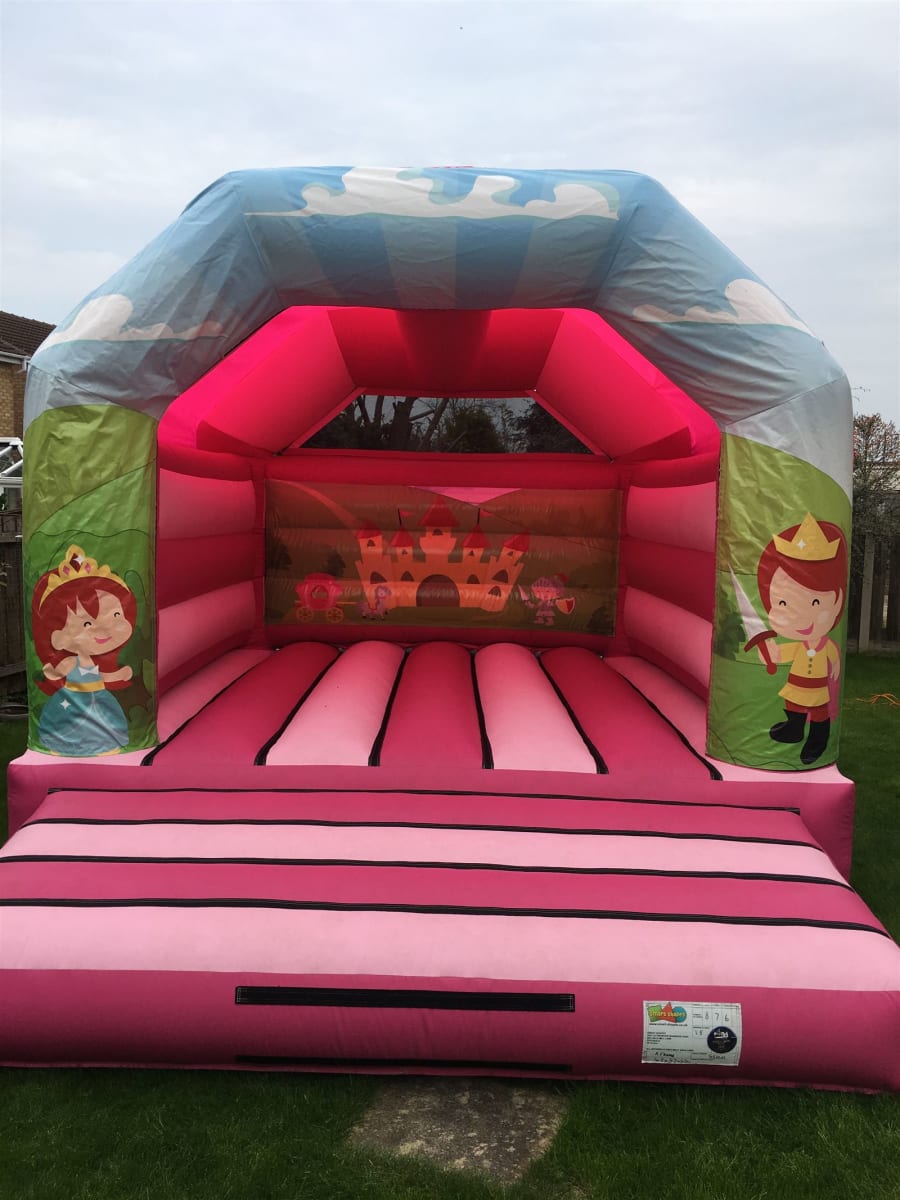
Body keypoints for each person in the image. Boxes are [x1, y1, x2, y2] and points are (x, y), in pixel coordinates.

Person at [755, 513, 848, 765]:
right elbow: (778, 655)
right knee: (793, 707)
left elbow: (833, 659)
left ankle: (817, 742)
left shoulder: (826, 646)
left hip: (817, 688)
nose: (803, 617)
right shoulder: (798, 646)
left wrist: (835, 665)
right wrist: (769, 652)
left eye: (816, 602)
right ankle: (793, 731)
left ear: (837, 600)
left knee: (818, 713)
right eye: (783, 603)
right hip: (796, 687)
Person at [31, 545, 137, 755]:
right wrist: (52, 672)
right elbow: (58, 671)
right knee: (72, 726)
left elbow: (102, 675)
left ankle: (106, 745)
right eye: (87, 624)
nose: (102, 630)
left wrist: (119, 674)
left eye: (115, 616)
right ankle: (63, 745)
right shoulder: (72, 662)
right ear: (59, 637)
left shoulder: (92, 663)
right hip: (72, 701)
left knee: (104, 721)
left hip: (98, 699)